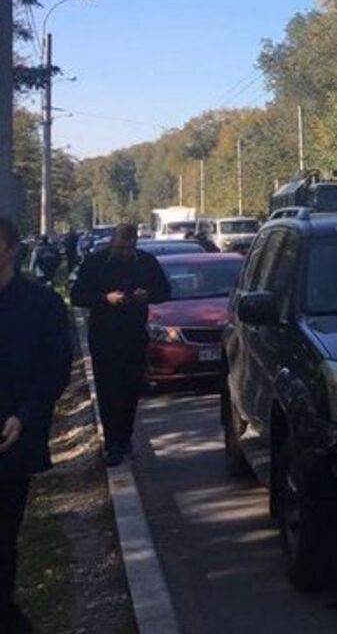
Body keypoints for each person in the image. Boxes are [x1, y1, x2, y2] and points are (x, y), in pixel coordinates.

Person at [0, 216, 73, 634]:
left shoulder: (41, 305)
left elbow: (55, 368)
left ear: (10, 250)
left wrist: (23, 416)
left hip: (10, 442)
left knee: (4, 535)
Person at [70, 224, 170, 467]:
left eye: (128, 248)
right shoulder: (95, 262)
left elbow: (164, 291)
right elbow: (77, 296)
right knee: (108, 391)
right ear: (112, 243)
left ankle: (125, 439)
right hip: (104, 336)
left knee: (130, 390)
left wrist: (146, 295)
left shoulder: (146, 262)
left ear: (135, 244)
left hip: (134, 334)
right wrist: (105, 299)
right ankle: (112, 444)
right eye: (120, 248)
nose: (124, 252)